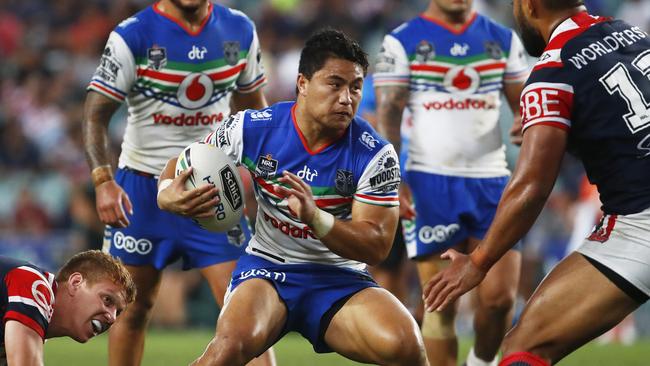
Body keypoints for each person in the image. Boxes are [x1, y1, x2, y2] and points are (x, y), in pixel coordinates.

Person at [157, 28, 428, 366]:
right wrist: (166, 194)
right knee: (226, 351)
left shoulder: (376, 154)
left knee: (406, 346)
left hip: (339, 278)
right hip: (269, 269)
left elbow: (377, 245)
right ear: (302, 83)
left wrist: (317, 218)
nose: (347, 98)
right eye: (334, 84)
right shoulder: (254, 127)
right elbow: (182, 162)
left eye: (355, 87)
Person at [423, 1, 650, 365]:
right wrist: (544, 129)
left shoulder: (553, 70)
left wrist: (478, 261)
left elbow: (531, 187)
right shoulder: (631, 33)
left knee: (525, 347)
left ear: (528, 5)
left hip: (640, 223)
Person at [82, 0, 273, 365]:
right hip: (142, 190)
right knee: (129, 309)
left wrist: (265, 179)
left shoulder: (240, 29)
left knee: (248, 308)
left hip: (213, 190)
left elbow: (254, 112)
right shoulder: (132, 35)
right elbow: (94, 113)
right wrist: (103, 180)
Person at [374, 0, 529, 365]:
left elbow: (526, 104)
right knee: (440, 304)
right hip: (430, 184)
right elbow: (388, 113)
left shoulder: (503, 39)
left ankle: (481, 361)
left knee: (500, 300)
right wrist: (392, 178)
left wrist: (529, 119)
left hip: (493, 181)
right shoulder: (402, 41)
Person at [1, 250, 135, 365]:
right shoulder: (33, 283)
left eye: (117, 313)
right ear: (76, 283)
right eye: (107, 300)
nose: (112, 318)